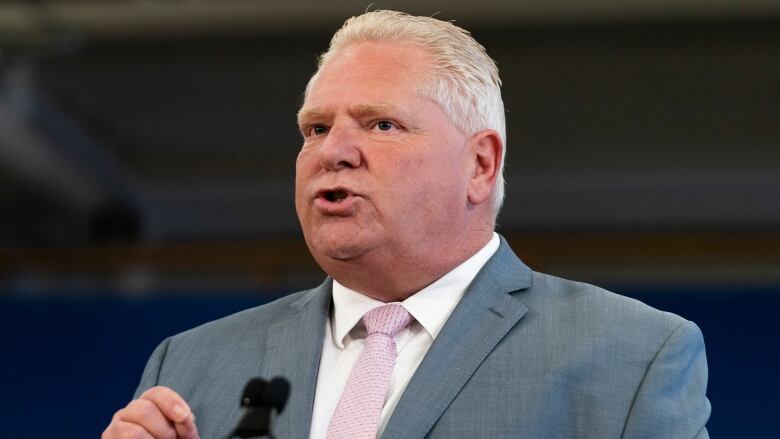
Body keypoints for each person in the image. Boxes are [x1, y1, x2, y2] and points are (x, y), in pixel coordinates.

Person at [102, 10, 711, 439]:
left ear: (479, 165)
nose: (331, 151)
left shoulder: (630, 358)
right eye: (315, 128)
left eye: (380, 124)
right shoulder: (189, 367)